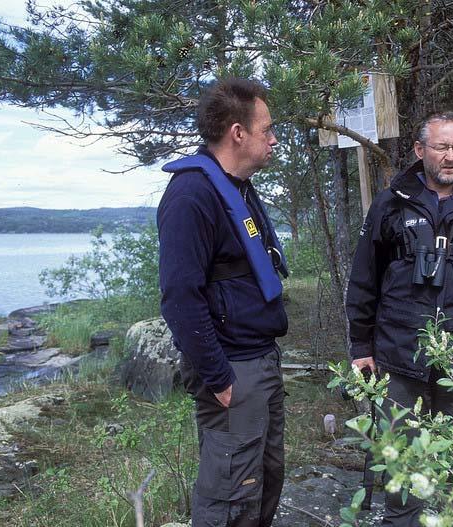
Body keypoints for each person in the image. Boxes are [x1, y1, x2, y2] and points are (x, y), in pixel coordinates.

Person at [345, 111, 453, 526]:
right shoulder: (391, 204)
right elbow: (364, 280)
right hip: (398, 359)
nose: (451, 157)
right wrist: (360, 347)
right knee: (401, 471)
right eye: (442, 147)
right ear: (420, 149)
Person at [158, 78, 288, 527]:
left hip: (260, 358)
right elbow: (179, 297)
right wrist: (219, 377)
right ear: (238, 132)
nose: (273, 139)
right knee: (230, 495)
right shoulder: (191, 196)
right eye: (267, 129)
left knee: (266, 479)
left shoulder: (237, 188)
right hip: (232, 369)